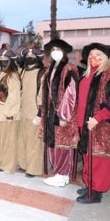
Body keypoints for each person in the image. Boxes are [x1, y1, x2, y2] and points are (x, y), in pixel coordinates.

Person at [38, 39, 79, 187]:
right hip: (50, 113)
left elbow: (71, 94)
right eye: (53, 50)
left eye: (58, 49)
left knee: (62, 145)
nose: (55, 52)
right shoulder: (51, 69)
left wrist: (63, 116)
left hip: (62, 115)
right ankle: (60, 173)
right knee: (53, 144)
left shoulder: (69, 69)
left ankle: (62, 175)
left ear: (64, 51)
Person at [76, 43, 110, 204]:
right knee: (87, 156)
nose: (94, 57)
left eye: (98, 55)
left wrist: (98, 117)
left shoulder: (107, 75)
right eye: (91, 54)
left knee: (98, 160)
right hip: (85, 123)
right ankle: (89, 184)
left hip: (100, 124)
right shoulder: (86, 75)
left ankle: (96, 191)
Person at [0, 46, 21, 173]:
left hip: (8, 115)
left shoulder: (12, 76)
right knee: (0, 140)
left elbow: (14, 97)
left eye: (5, 58)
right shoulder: (1, 74)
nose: (2, 60)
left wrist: (10, 114)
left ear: (10, 60)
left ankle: (8, 165)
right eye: (0, 58)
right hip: (0, 114)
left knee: (9, 141)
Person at [17, 46, 46, 178]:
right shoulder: (22, 71)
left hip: (35, 113)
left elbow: (43, 94)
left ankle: (33, 169)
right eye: (27, 56)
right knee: (22, 140)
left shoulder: (42, 73)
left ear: (38, 58)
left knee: (35, 143)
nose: (29, 57)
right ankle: (23, 164)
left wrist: (40, 114)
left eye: (32, 56)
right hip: (22, 112)